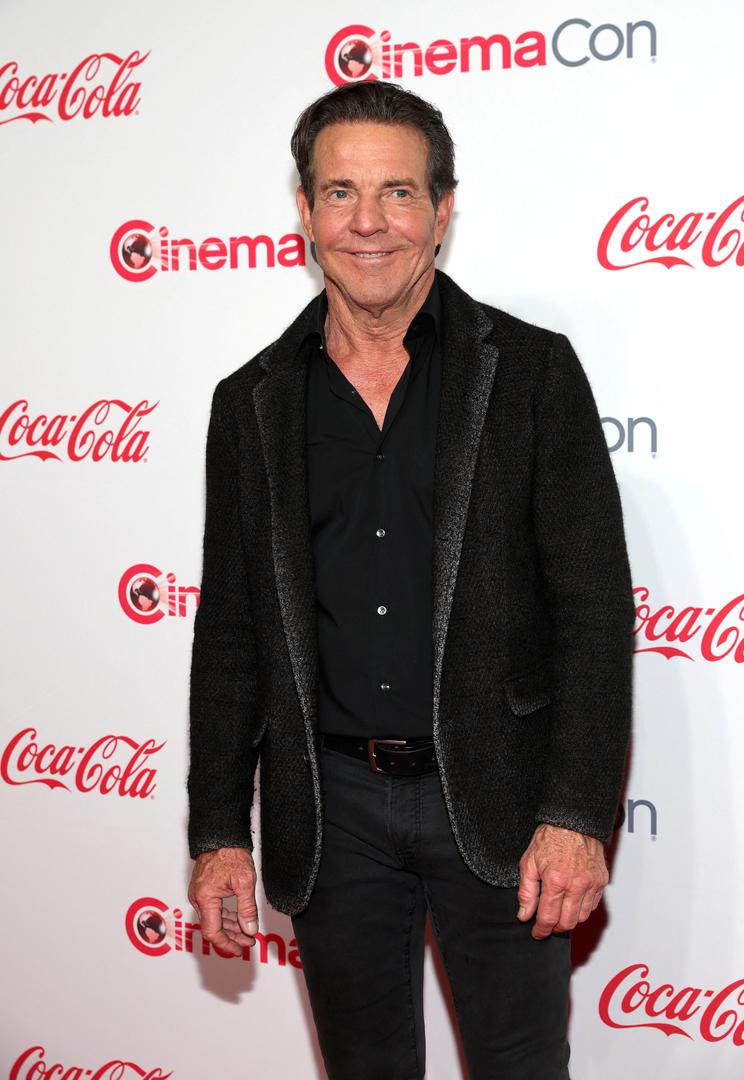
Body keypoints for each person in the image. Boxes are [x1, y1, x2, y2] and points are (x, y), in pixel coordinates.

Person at [187, 81, 635, 1080]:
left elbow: (594, 612)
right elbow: (229, 633)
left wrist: (576, 813)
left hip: (502, 802)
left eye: (398, 191)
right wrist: (218, 827)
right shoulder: (248, 402)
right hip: (330, 806)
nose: (370, 222)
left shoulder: (529, 371)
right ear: (304, 212)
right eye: (341, 192)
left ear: (442, 206)